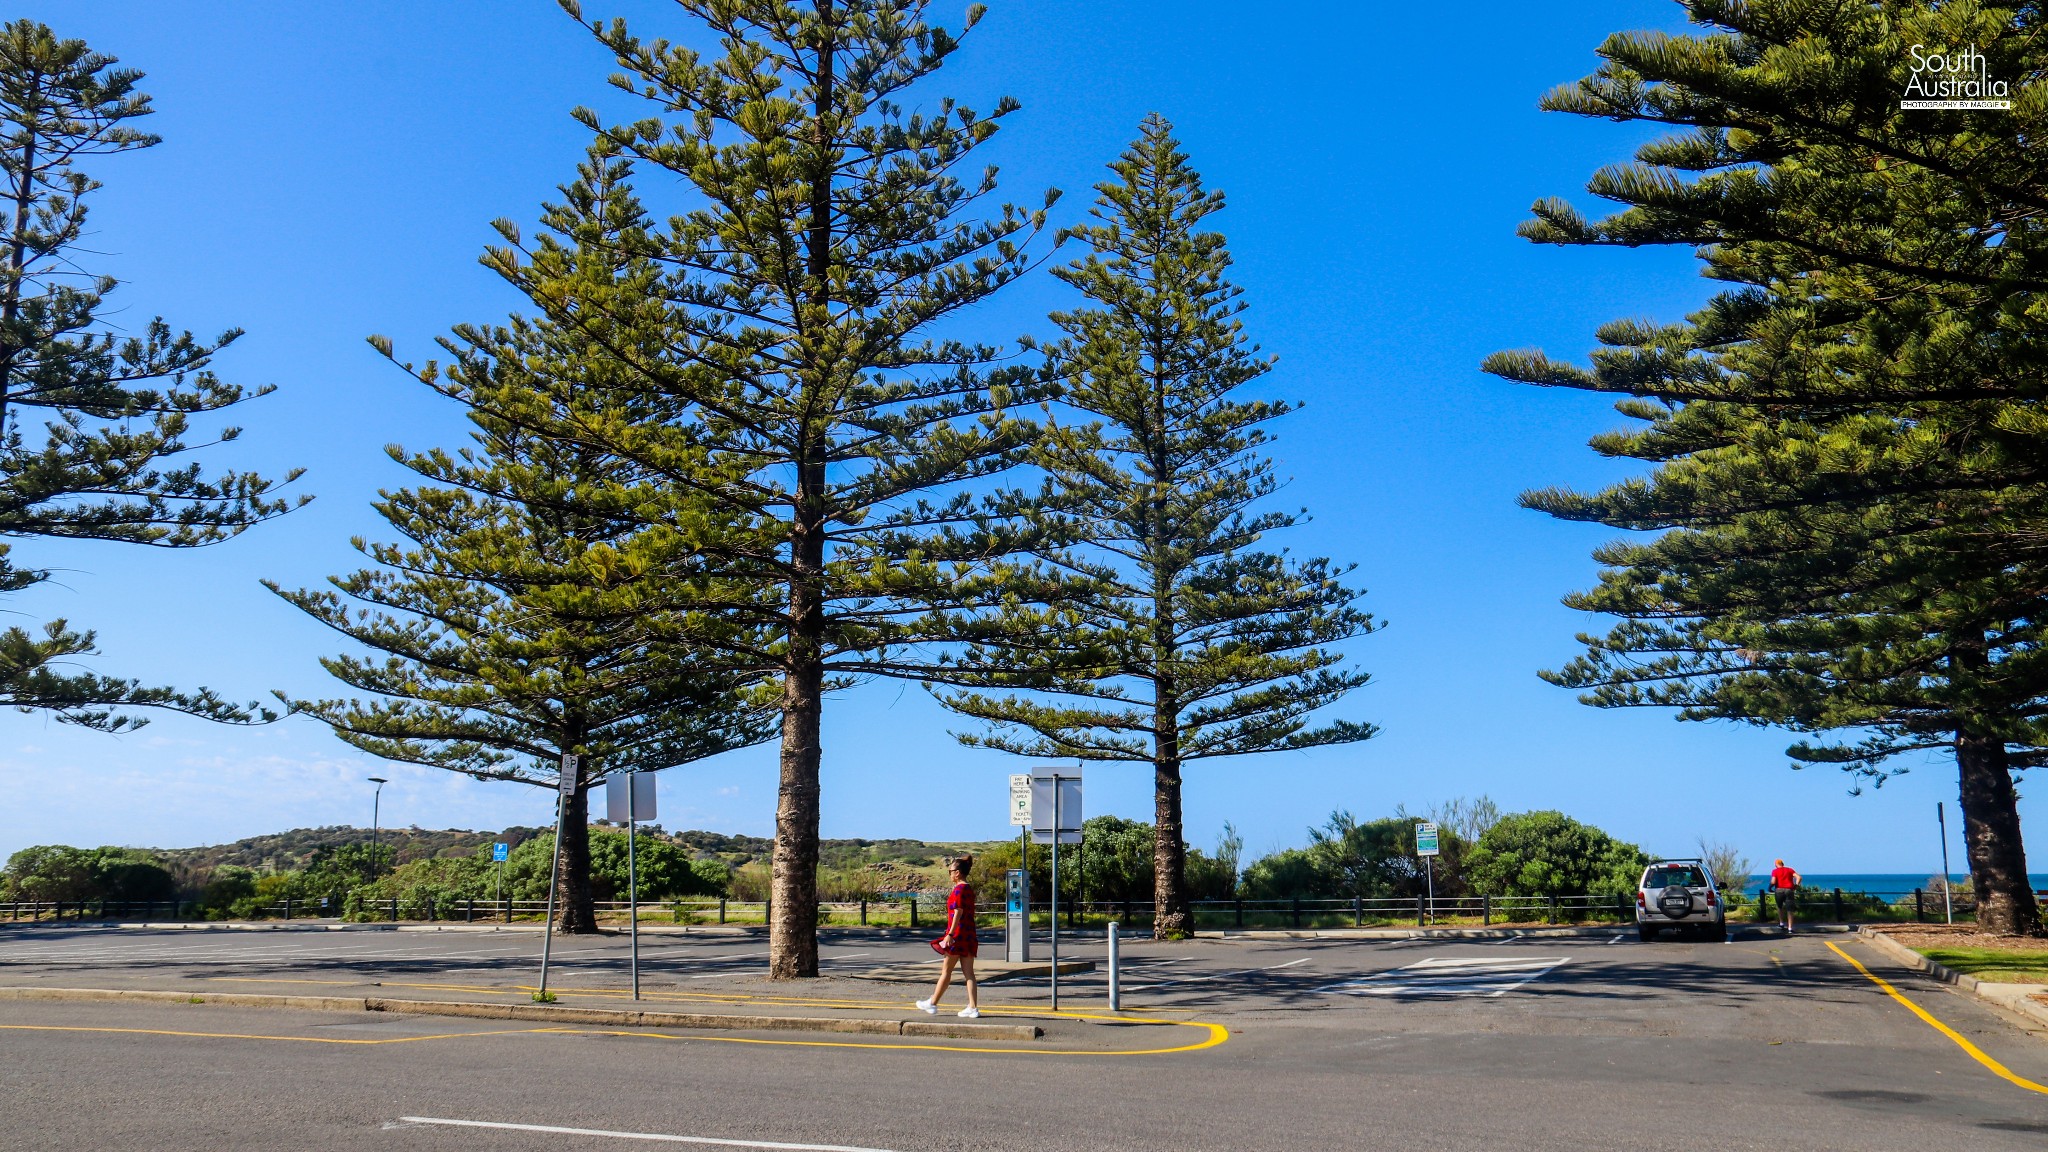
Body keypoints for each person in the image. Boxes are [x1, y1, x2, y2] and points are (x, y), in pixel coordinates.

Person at [916, 854, 980, 1019]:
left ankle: (932, 1003)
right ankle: (973, 1007)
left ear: (957, 872)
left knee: (946, 971)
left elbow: (958, 911)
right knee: (969, 974)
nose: (950, 874)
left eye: (950, 871)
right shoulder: (969, 889)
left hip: (957, 935)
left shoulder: (959, 889)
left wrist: (950, 934)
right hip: (969, 935)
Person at [1768, 858, 1801, 935]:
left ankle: (1781, 923)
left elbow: (1773, 881)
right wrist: (1795, 886)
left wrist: (1769, 888)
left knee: (1780, 906)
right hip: (1789, 890)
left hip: (1779, 890)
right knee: (1790, 909)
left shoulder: (1775, 871)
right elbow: (1799, 877)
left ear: (1776, 865)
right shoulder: (1790, 870)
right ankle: (1790, 928)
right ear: (1782, 864)